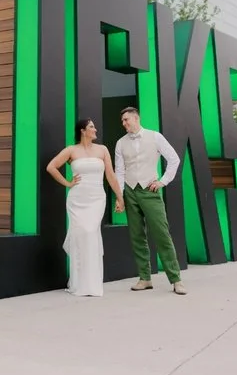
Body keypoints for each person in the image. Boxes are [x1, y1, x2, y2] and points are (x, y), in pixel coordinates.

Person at [113, 103, 186, 293]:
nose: (124, 123)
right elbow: (119, 171)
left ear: (136, 118)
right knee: (136, 236)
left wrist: (163, 181)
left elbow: (174, 159)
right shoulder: (120, 143)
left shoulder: (155, 136)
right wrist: (119, 197)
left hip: (150, 190)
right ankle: (145, 278)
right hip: (129, 191)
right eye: (122, 121)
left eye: (126, 119)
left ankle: (176, 279)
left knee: (161, 234)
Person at [47, 117, 123, 297]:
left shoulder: (102, 150)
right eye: (91, 127)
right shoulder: (71, 150)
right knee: (80, 236)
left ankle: (93, 284)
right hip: (77, 199)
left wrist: (120, 198)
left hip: (97, 198)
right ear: (82, 130)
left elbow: (111, 176)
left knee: (91, 233)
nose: (95, 129)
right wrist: (67, 183)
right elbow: (51, 167)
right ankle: (78, 283)